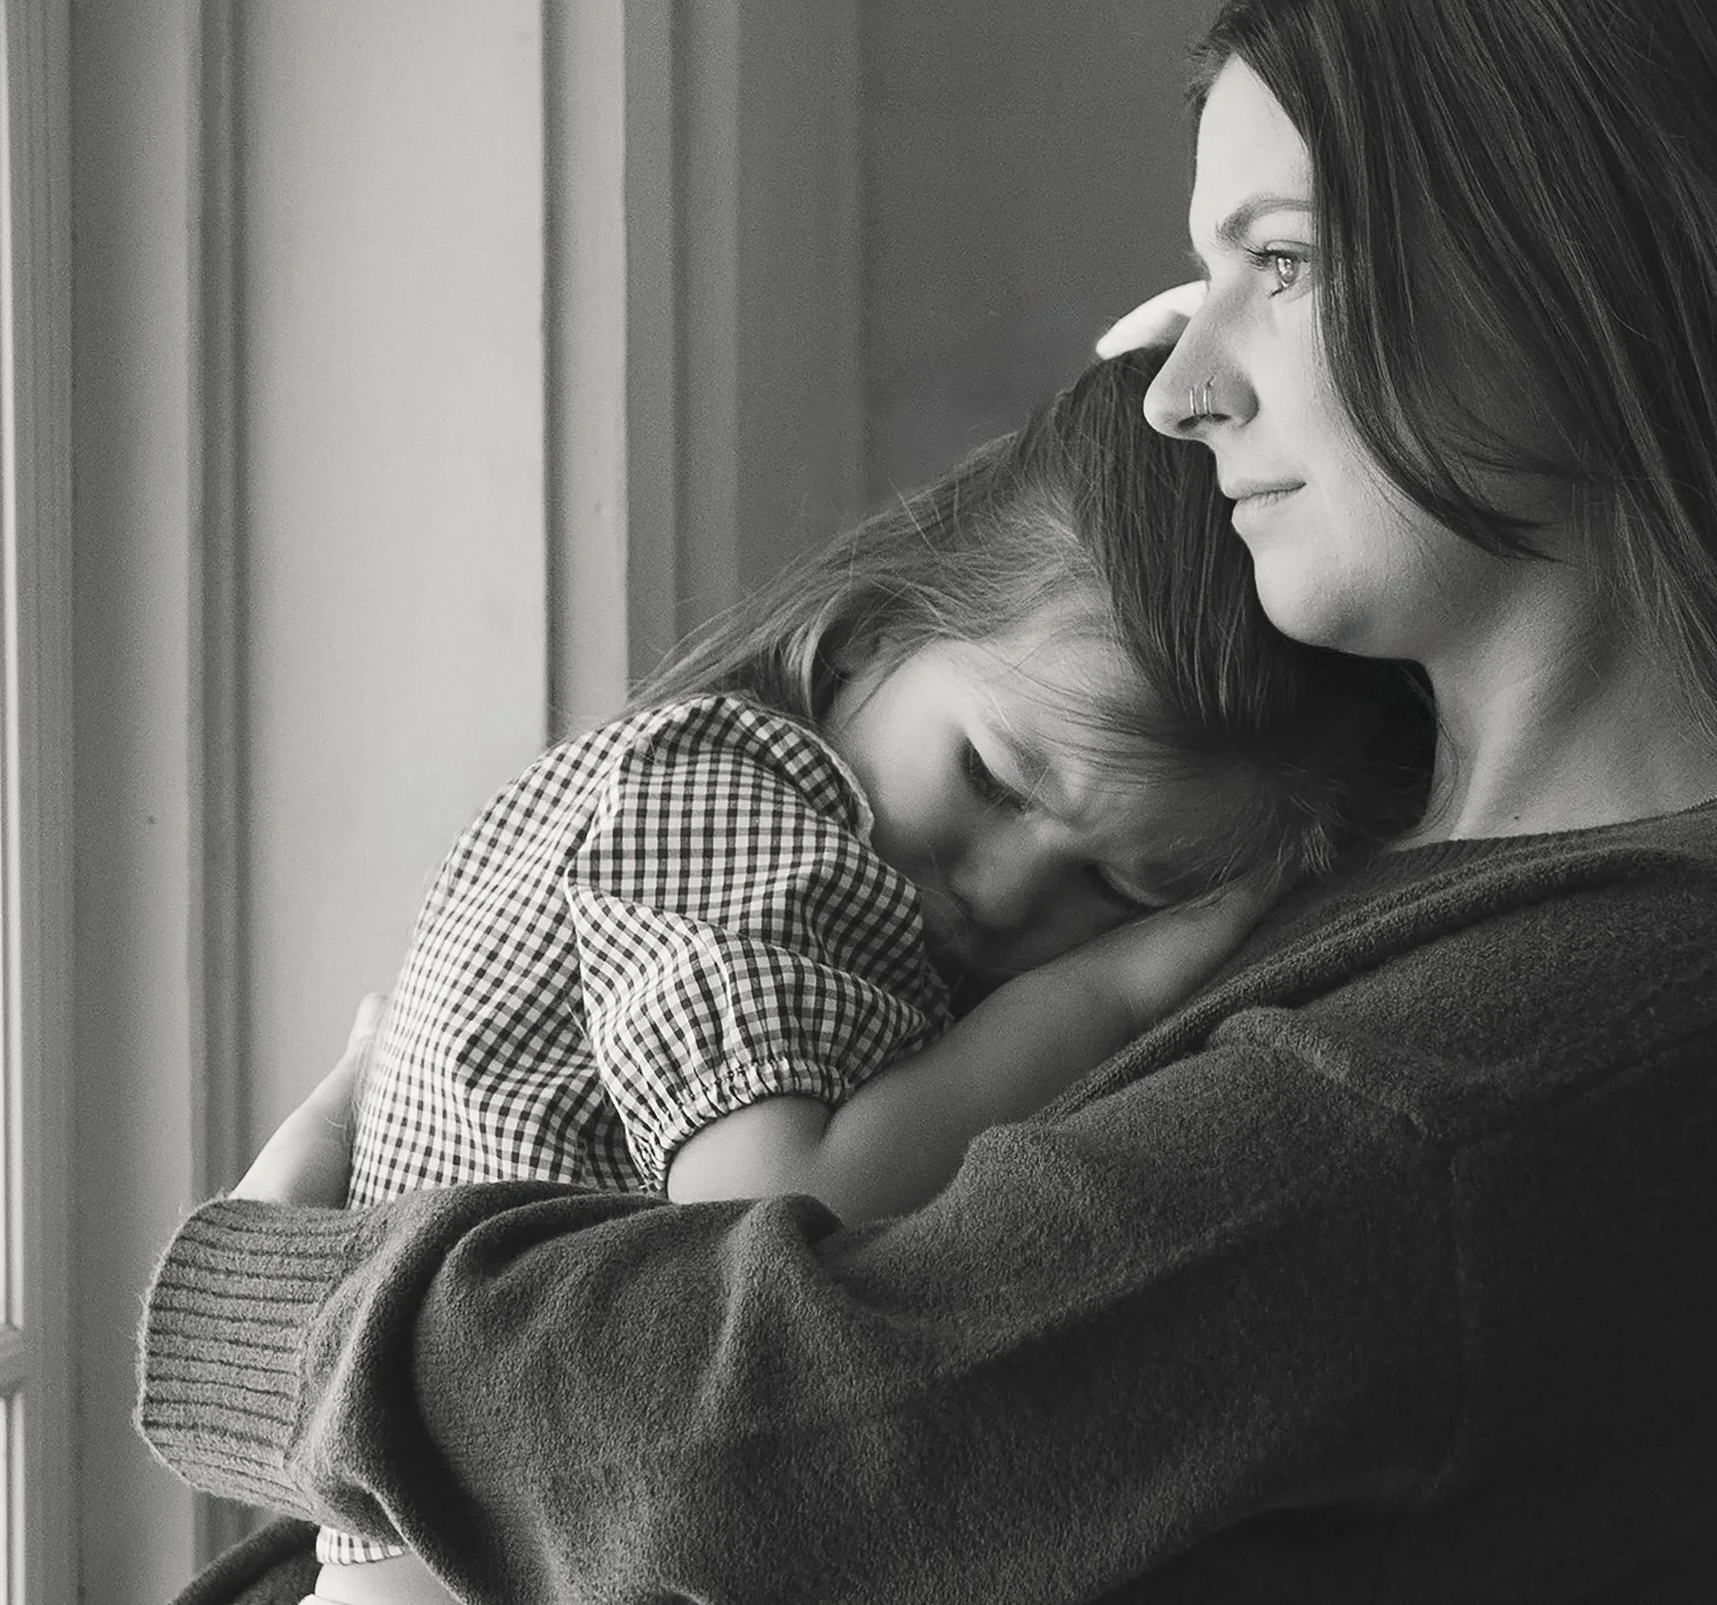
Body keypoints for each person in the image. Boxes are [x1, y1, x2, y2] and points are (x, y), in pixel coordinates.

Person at [140, 0, 1717, 1601]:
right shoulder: (1407, 890)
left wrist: (263, 1290)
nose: (1188, 387)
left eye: (1276, 263)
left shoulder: (1656, 988)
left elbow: (783, 1439)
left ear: (1594, 266)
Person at [301, 346, 1430, 1605]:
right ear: (879, 628)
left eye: (1118, 888)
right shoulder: (712, 805)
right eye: (992, 778)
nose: (1003, 893)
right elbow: (775, 1206)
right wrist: (1116, 979)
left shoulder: (807, 864)